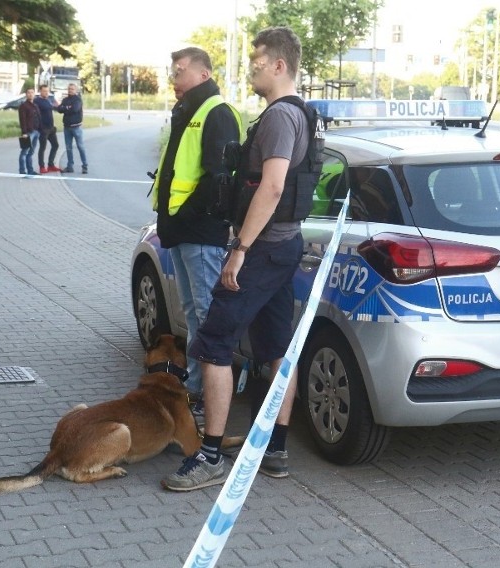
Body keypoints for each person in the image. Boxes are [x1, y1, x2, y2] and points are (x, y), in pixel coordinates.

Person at [162, 27, 322, 491]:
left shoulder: (278, 118)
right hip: (284, 246)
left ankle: (209, 457)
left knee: (212, 346)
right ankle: (275, 451)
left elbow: (271, 188)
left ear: (278, 65)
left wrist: (240, 249)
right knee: (274, 350)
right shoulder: (304, 113)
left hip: (264, 248)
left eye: (256, 61)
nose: (250, 68)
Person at [150, 47, 242, 418]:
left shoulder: (216, 112)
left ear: (204, 74)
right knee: (191, 311)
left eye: (181, 70)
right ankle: (193, 388)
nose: (174, 76)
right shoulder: (187, 109)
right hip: (182, 229)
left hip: (201, 231)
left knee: (205, 313)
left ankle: (205, 398)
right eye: (172, 70)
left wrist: (188, 213)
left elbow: (219, 180)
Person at [55, 83, 88, 174]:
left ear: (76, 90)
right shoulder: (65, 99)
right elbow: (59, 109)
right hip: (67, 128)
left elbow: (75, 109)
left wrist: (65, 108)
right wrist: (66, 107)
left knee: (80, 147)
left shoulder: (78, 99)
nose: (70, 90)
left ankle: (85, 166)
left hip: (76, 127)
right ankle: (70, 166)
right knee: (68, 148)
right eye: (69, 89)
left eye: (72, 89)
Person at [34, 85, 60, 173]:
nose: (46, 93)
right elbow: (35, 115)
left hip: (51, 128)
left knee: (55, 145)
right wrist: (39, 127)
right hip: (43, 129)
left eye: (47, 91)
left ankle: (51, 165)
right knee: (43, 147)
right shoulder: (37, 101)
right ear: (40, 91)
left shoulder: (48, 100)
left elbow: (51, 110)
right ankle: (42, 166)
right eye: (44, 91)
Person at [18, 88, 40, 175]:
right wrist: (24, 132)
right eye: (28, 93)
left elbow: (38, 117)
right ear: (26, 94)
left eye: (32, 92)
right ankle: (22, 171)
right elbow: (22, 120)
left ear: (34, 94)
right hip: (28, 132)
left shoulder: (35, 105)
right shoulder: (23, 106)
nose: (30, 94)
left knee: (31, 152)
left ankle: (30, 171)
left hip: (36, 131)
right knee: (24, 152)